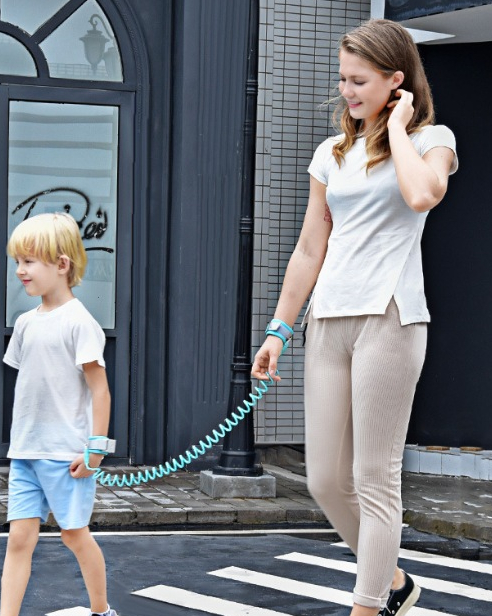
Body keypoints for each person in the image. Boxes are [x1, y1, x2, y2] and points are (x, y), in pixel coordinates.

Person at [252, 19, 457, 616]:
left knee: (374, 478)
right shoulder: (331, 153)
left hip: (389, 320)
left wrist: (396, 129)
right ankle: (392, 582)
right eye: (342, 79)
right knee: (323, 480)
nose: (346, 91)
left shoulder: (432, 140)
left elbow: (422, 195)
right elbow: (309, 247)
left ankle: (366, 608)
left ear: (397, 81)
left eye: (359, 80)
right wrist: (278, 329)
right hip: (328, 320)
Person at [0, 212, 118, 616]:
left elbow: (100, 390)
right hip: (25, 453)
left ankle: (101, 610)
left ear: (62, 264)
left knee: (74, 536)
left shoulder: (80, 323)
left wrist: (96, 450)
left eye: (29, 261)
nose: (20, 270)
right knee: (19, 539)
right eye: (18, 261)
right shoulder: (24, 323)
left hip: (66, 456)